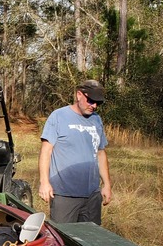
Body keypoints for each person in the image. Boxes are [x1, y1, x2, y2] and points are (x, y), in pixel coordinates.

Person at [38, 79, 112, 224]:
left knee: (90, 241)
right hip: (64, 195)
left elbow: (101, 153)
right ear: (79, 95)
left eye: (98, 103)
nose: (94, 106)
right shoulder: (58, 116)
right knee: (63, 241)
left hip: (92, 195)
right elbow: (46, 151)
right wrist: (44, 182)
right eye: (91, 101)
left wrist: (107, 184)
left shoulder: (97, 120)